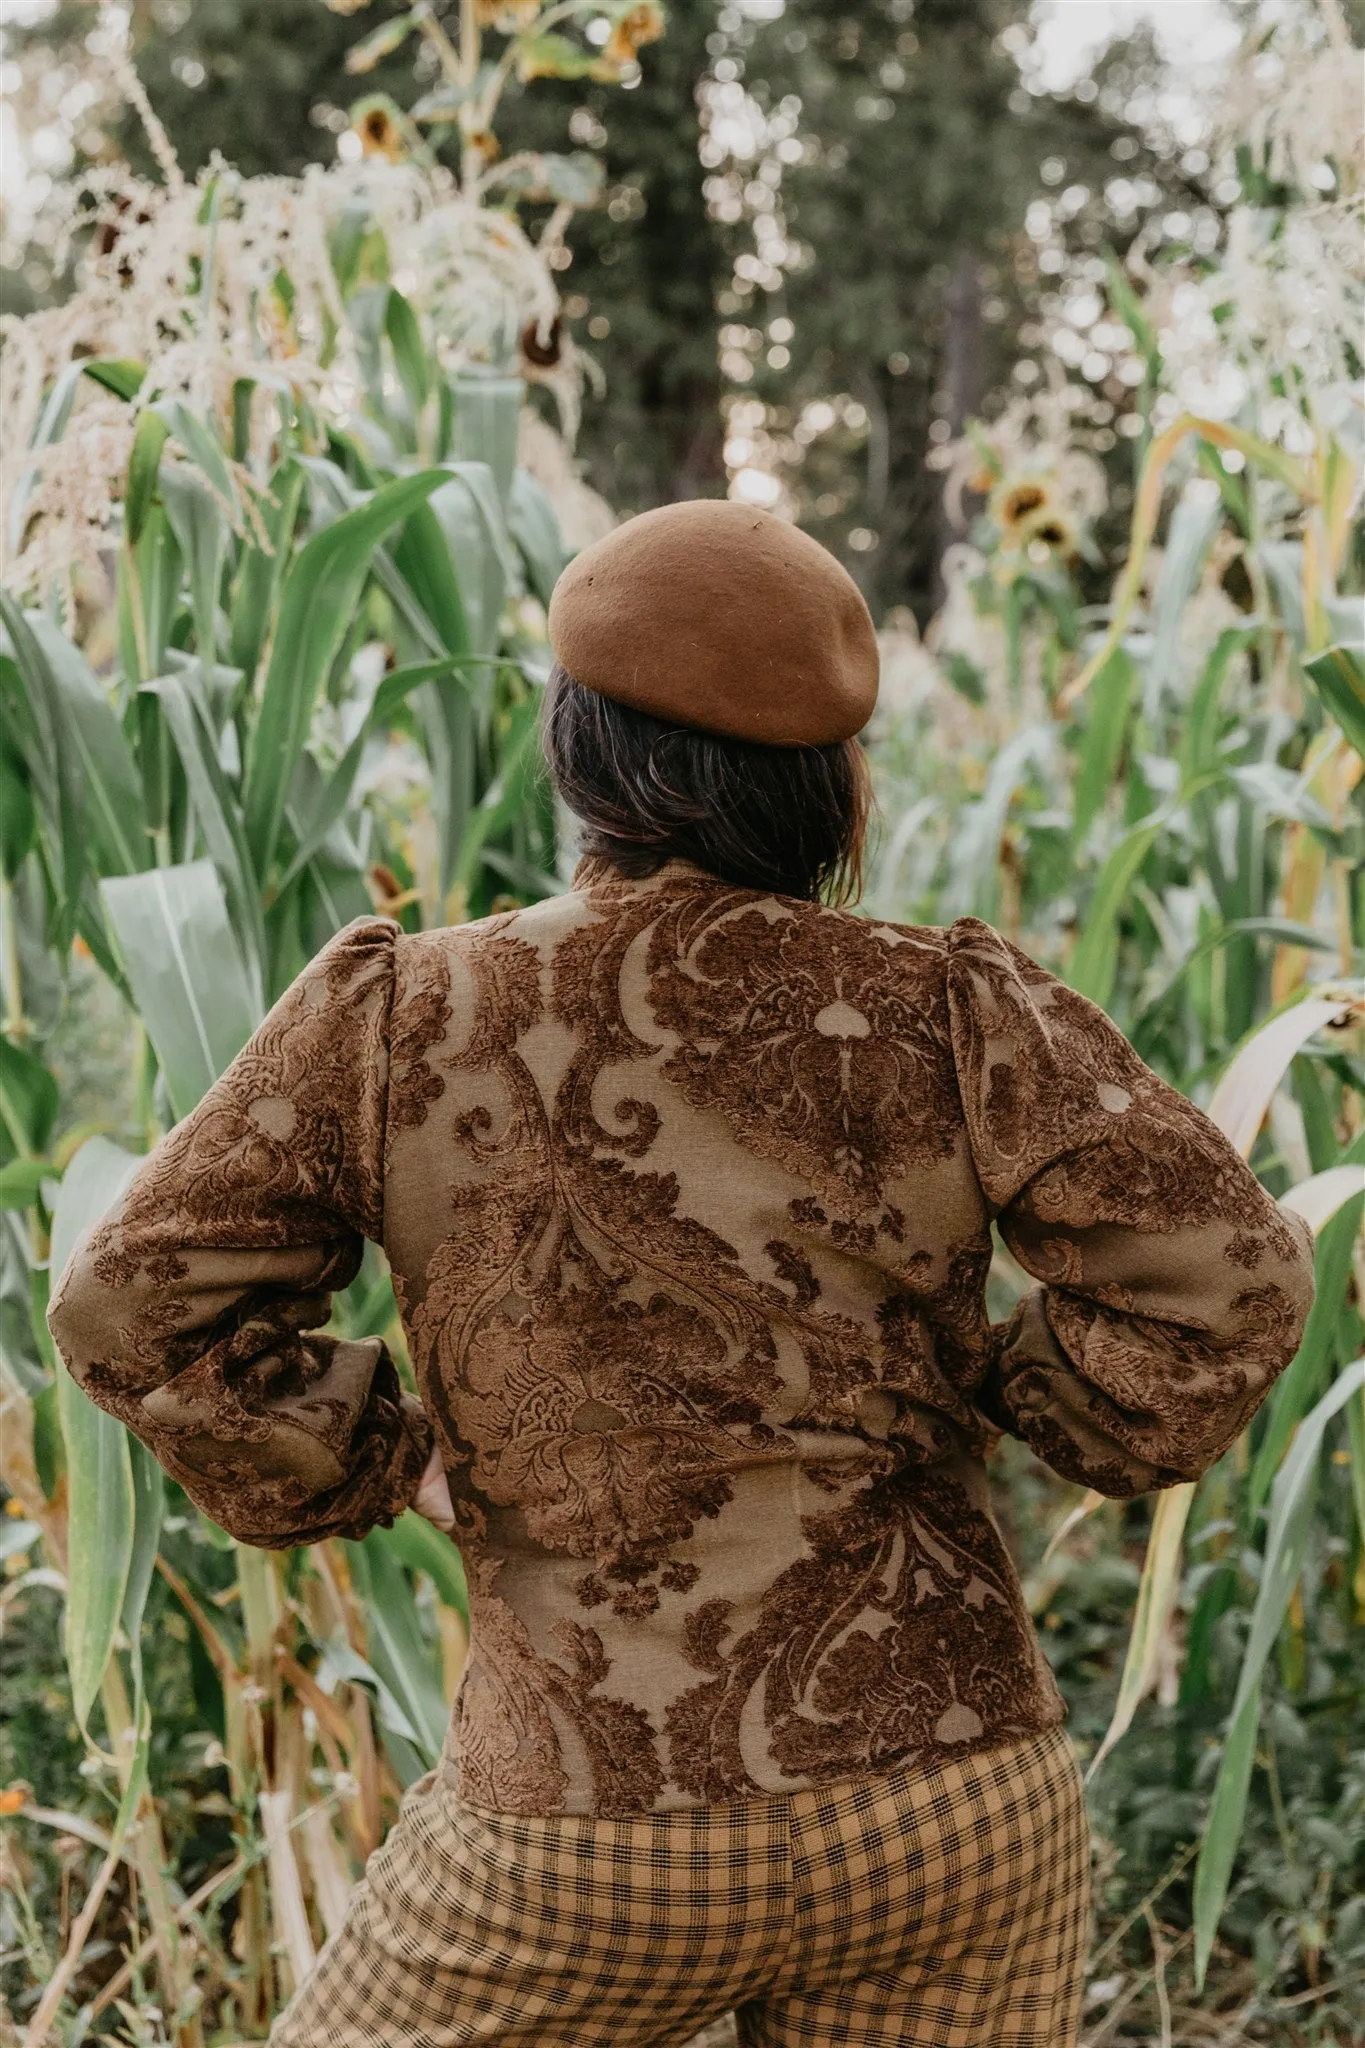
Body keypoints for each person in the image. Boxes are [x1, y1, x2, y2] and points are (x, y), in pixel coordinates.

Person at [48, 500, 1315, 2047]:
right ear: (831, 784)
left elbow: (132, 1307)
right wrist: (996, 1391)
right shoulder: (953, 1007)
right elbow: (1233, 1277)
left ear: (576, 748)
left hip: (575, 1832)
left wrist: (389, 1452)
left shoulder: (408, 1014)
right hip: (955, 1811)